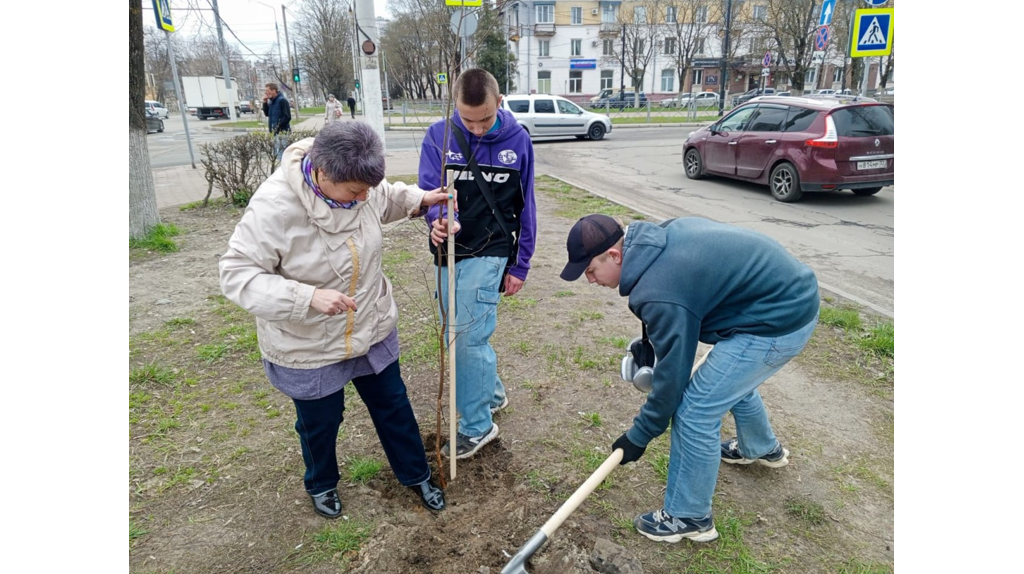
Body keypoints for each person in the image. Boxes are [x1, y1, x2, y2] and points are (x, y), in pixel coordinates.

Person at [219, 122, 453, 519]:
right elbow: (236, 274)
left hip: (369, 322)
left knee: (393, 405)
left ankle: (416, 475)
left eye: (366, 189)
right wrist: (307, 297)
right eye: (355, 192)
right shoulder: (274, 207)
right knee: (320, 422)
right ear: (322, 174)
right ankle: (322, 482)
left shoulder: (358, 182)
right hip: (309, 340)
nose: (363, 198)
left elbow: (384, 197)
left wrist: (420, 198)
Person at [559, 214, 820, 543]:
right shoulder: (656, 237)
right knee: (725, 382)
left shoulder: (659, 290)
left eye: (590, 271)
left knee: (695, 410)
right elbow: (683, 303)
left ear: (614, 255)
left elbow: (671, 382)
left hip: (778, 320)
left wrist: (639, 436)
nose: (591, 281)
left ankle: (689, 516)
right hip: (785, 296)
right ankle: (762, 448)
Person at [418, 68, 536, 459]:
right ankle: (492, 393)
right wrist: (435, 222)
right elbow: (426, 196)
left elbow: (527, 205)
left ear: (499, 103)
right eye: (467, 119)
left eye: (484, 118)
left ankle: (476, 426)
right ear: (454, 107)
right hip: (448, 251)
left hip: (492, 248)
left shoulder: (518, 140)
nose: (477, 128)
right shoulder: (440, 136)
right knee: (454, 333)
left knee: (466, 338)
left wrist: (520, 265)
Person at [262, 82, 291, 160]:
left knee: (281, 154)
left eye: (267, 90)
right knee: (277, 154)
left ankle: (283, 170)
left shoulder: (282, 100)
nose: (266, 92)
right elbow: (267, 114)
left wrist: (277, 126)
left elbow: (287, 117)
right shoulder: (272, 101)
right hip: (275, 132)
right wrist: (265, 103)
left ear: (274, 90)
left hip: (282, 132)